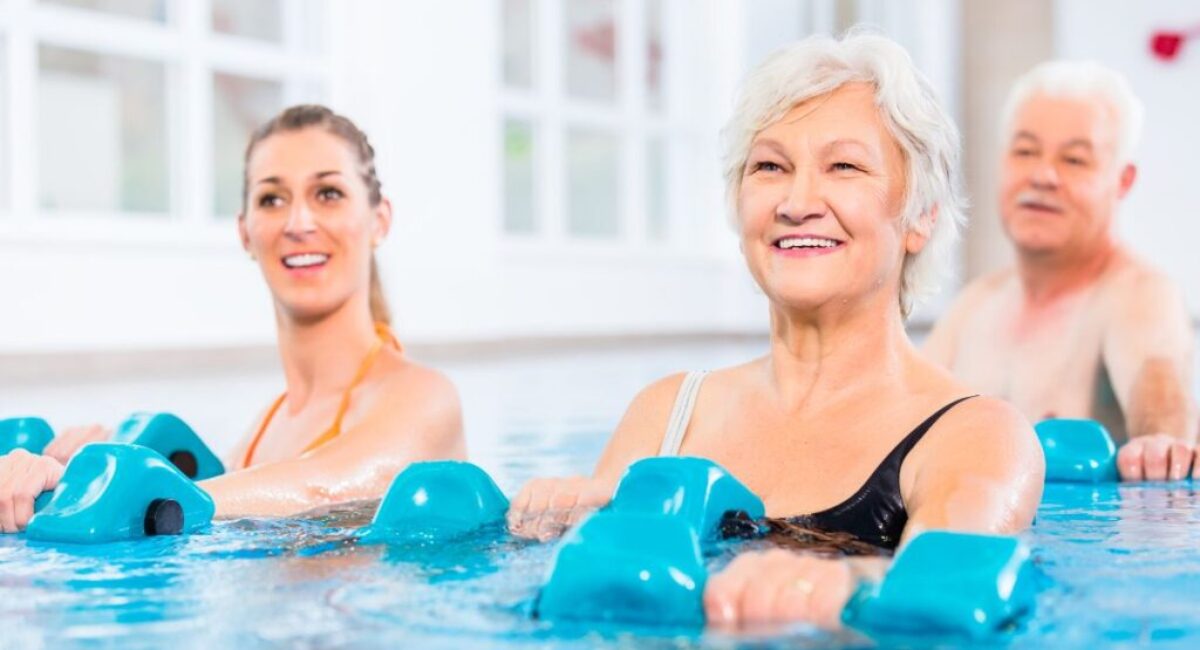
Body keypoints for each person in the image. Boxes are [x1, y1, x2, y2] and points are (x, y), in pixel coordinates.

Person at [507, 33, 1044, 629]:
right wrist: (557, 519)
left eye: (843, 166)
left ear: (920, 216)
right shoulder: (667, 413)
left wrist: (843, 582)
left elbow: (953, 582)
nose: (797, 201)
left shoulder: (975, 435)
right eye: (770, 166)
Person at [0, 105, 465, 531]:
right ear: (245, 232)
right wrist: (72, 471)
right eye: (272, 199)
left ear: (379, 220)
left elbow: (321, 487)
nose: (298, 222)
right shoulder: (262, 430)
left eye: (328, 193)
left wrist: (116, 492)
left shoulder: (423, 397)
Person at [923, 61, 1197, 481]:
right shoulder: (973, 305)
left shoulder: (1138, 293)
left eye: (1074, 159)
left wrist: (1161, 442)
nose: (1043, 175)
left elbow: (1154, 374)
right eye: (1025, 151)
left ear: (1122, 181)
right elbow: (896, 423)